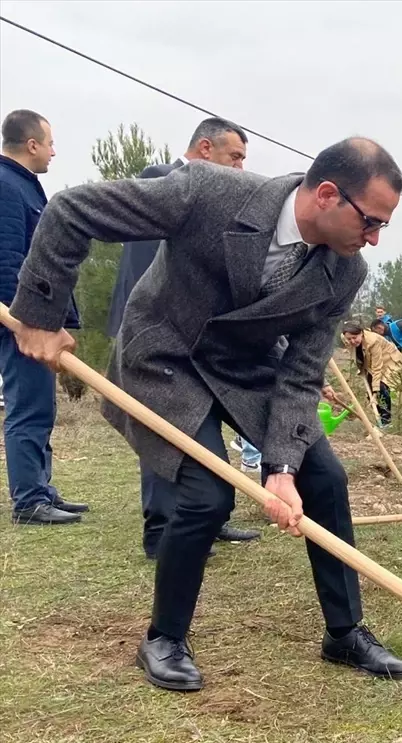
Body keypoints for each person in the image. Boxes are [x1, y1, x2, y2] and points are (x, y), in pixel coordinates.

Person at [8, 137, 402, 691]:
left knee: (326, 478)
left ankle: (343, 632)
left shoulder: (345, 273)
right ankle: (164, 637)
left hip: (248, 370)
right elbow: (72, 210)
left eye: (381, 226)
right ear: (326, 195)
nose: (373, 238)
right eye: (371, 221)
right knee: (206, 495)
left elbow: (300, 373)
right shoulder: (208, 192)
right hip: (165, 356)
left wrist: (283, 468)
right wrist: (38, 313)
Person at [105, 116, 257, 556]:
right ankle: (162, 534)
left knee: (200, 426)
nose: (240, 169)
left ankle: (206, 522)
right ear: (205, 150)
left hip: (194, 338)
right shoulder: (162, 183)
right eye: (236, 157)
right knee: (163, 432)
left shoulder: (210, 199)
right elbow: (151, 271)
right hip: (152, 335)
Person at [0, 109, 89, 526]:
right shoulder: (5, 186)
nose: (54, 152)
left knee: (41, 407)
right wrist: (25, 326)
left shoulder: (24, 186)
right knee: (28, 407)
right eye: (50, 143)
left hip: (37, 323)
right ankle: (29, 501)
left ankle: (42, 489)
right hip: (22, 325)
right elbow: (6, 265)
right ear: (31, 144)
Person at [344, 322, 402, 426]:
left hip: (390, 361)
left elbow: (377, 368)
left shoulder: (373, 341)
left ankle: (386, 421)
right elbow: (355, 352)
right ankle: (378, 419)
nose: (352, 341)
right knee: (370, 393)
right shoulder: (345, 337)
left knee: (381, 387)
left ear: (362, 333)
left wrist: (375, 392)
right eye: (349, 339)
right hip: (371, 362)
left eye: (355, 337)